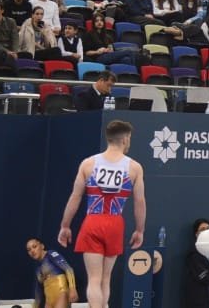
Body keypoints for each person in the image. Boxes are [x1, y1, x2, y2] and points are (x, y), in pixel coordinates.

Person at [58, 120, 147, 308]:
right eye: (129, 138)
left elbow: (75, 197)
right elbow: (139, 202)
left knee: (94, 279)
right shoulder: (134, 168)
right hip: (115, 224)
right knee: (105, 279)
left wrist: (65, 226)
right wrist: (140, 230)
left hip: (93, 222)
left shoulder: (88, 164)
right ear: (125, 139)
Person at [27, 238, 77, 308]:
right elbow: (38, 292)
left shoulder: (51, 254)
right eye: (29, 250)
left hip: (61, 294)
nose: (32, 251)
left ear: (42, 246)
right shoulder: (38, 269)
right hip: (49, 301)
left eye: (34, 246)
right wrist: (35, 306)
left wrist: (72, 288)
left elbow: (68, 269)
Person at [181, 219, 209, 308]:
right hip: (197, 303)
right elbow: (204, 277)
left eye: (208, 228)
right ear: (197, 234)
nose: (206, 231)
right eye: (203, 229)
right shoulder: (193, 254)